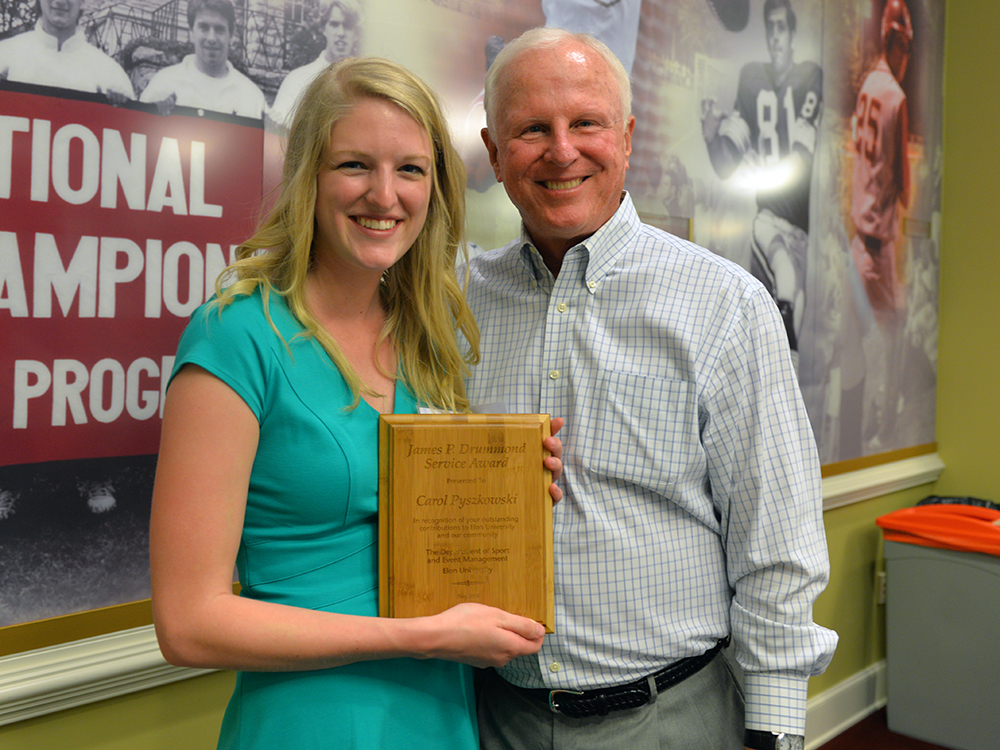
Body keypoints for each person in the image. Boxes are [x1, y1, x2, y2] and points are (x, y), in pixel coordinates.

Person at [149, 57, 562, 749]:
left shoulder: (426, 339)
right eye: (354, 166)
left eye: (410, 169)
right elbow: (188, 625)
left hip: (440, 715)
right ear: (308, 174)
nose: (384, 195)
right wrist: (420, 637)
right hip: (313, 722)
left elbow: (417, 540)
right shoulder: (237, 333)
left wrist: (507, 486)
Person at [467, 27, 837, 750]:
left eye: (587, 123)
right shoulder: (454, 305)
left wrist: (777, 730)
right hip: (491, 718)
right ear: (493, 153)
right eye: (532, 128)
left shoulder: (726, 306)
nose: (562, 149)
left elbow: (777, 544)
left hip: (669, 721)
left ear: (628, 137)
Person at [701, 0, 822, 372]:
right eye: (770, 27)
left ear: (793, 33)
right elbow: (725, 164)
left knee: (787, 333)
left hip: (799, 227)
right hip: (767, 219)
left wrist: (767, 170)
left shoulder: (810, 77)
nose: (775, 36)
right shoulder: (751, 78)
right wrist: (710, 137)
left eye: (782, 27)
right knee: (784, 284)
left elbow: (801, 161)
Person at [841, 0, 914, 455]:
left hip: (856, 237)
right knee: (891, 335)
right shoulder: (897, 97)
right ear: (895, 41)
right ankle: (880, 432)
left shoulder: (870, 83)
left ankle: (859, 430)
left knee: (858, 344)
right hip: (876, 244)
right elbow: (905, 188)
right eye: (903, 44)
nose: (905, 54)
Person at [139, 0, 267, 119]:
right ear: (191, 31)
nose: (211, 38)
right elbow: (137, 130)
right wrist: (152, 113)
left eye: (219, 29)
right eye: (204, 28)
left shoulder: (252, 95)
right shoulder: (164, 83)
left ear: (230, 35)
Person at [0, 0, 134, 102]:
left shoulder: (111, 73)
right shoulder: (6, 54)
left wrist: (121, 109)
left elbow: (130, 130)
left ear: (83, 2)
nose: (60, 1)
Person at [269, 0, 362, 129]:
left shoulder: (363, 82)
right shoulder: (297, 79)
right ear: (324, 28)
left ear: (356, 33)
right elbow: (278, 134)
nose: (341, 33)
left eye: (347, 25)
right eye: (334, 24)